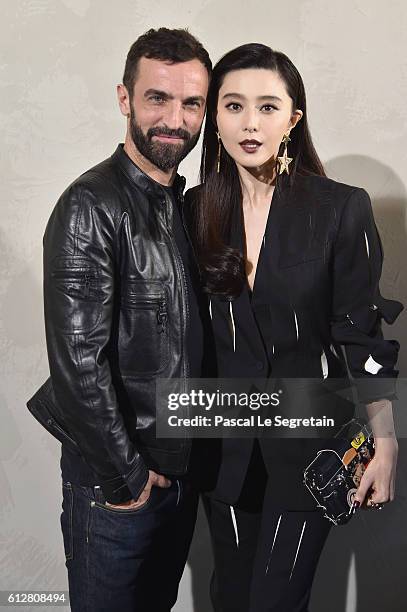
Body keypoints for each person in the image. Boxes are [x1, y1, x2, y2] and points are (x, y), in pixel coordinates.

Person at [184, 43, 403, 612]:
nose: (250, 123)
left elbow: (362, 335)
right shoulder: (194, 209)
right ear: (214, 117)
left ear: (293, 118)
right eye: (233, 106)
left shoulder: (339, 208)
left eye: (267, 106)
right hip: (224, 446)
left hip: (309, 444)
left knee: (276, 603)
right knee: (229, 597)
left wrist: (385, 443)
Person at [26, 27, 211, 612]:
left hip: (177, 480)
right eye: (158, 98)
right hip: (119, 488)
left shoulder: (186, 208)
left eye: (191, 103)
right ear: (125, 99)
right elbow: (78, 363)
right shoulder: (92, 204)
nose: (174, 120)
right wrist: (127, 479)